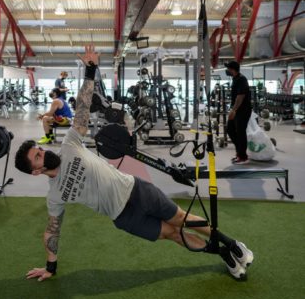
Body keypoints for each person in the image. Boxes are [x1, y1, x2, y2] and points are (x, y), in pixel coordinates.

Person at [15, 45, 254, 282]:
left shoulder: (69, 144)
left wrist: (90, 71)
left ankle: (232, 244)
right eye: (38, 157)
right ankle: (225, 254)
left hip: (136, 190)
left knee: (181, 218)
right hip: (124, 218)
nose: (43, 153)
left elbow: (82, 108)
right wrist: (50, 267)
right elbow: (52, 230)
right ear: (36, 172)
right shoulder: (55, 195)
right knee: (174, 235)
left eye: (40, 149)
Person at [225, 61, 252, 164]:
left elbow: (240, 96)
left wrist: (234, 110)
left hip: (243, 110)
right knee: (230, 129)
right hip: (237, 110)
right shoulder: (235, 78)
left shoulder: (242, 79)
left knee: (240, 132)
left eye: (228, 69)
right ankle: (239, 151)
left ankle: (242, 156)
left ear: (233, 69)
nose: (227, 70)